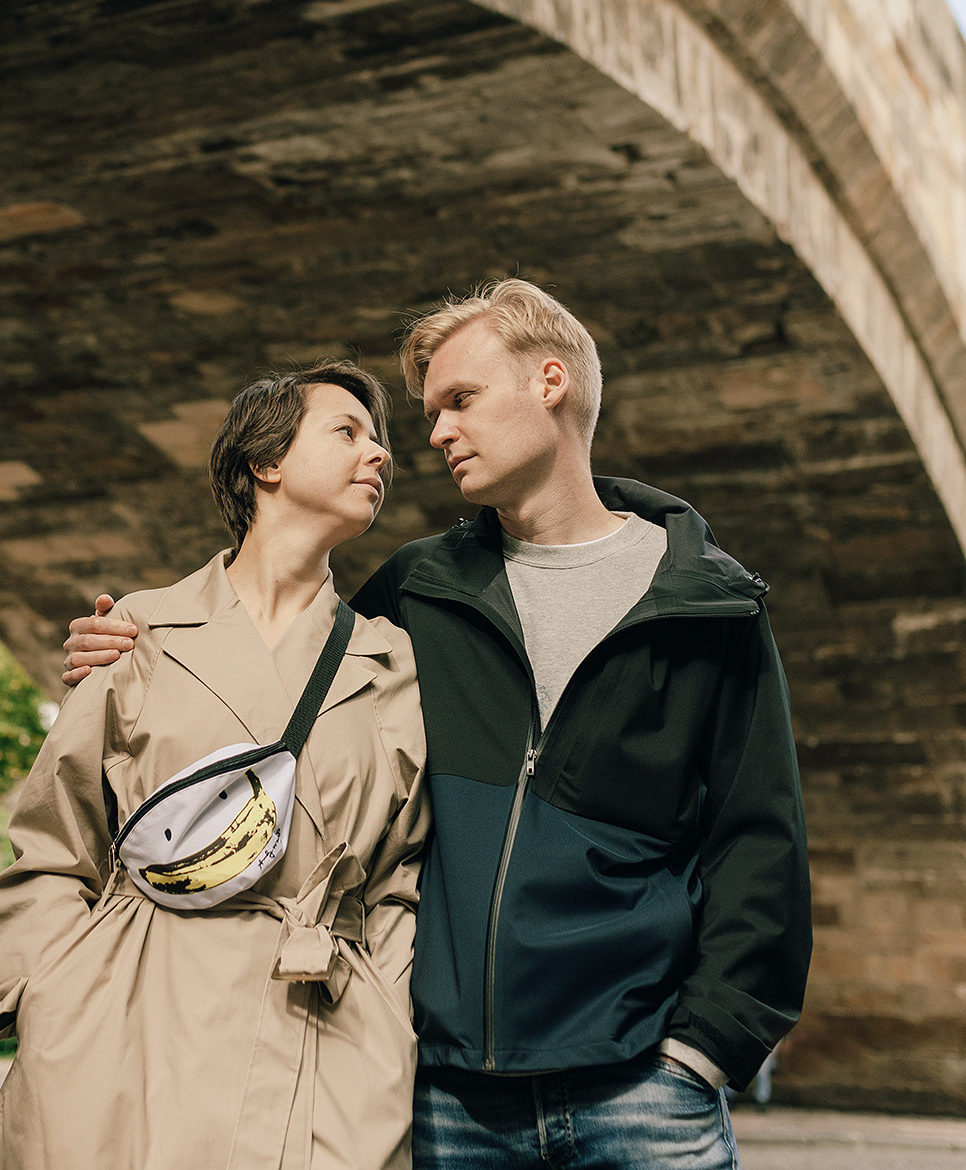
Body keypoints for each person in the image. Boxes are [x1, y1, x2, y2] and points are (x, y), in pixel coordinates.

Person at [64, 280, 810, 1169]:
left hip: (642, 1092)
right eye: (429, 413)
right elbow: (265, 700)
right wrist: (136, 644)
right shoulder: (418, 590)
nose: (435, 433)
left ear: (550, 381)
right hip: (449, 1099)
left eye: (461, 400)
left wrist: (703, 1052)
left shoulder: (708, 605)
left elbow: (758, 842)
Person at [0, 361, 429, 1170]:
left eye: (381, 441)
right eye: (348, 433)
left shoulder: (387, 658)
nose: (381, 456)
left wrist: (387, 1026)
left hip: (325, 1038)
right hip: (125, 1027)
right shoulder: (141, 633)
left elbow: (400, 880)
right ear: (268, 461)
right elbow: (54, 839)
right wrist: (50, 997)